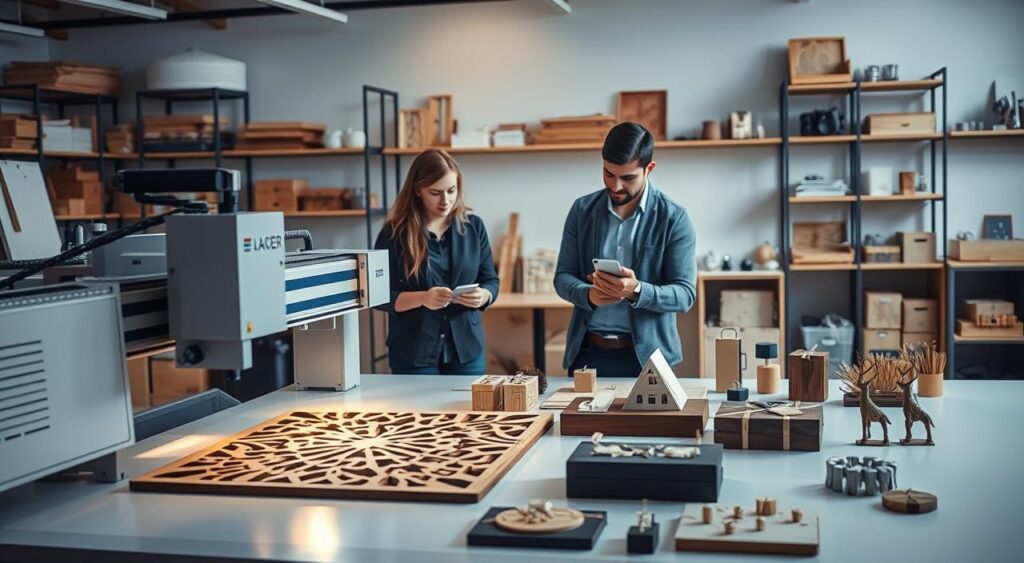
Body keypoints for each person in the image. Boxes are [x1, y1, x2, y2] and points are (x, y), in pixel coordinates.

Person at [554, 122, 696, 377]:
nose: (616, 186)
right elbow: (562, 277)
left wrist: (637, 290)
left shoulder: (674, 218)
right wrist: (588, 296)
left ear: (649, 169)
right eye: (609, 174)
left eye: (628, 177)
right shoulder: (581, 211)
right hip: (587, 353)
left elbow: (685, 295)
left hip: (649, 359)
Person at [374, 149, 499, 375]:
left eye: (451, 191)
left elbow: (490, 280)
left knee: (468, 410)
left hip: (466, 349)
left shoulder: (473, 227)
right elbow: (377, 296)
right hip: (413, 351)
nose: (446, 200)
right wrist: (423, 298)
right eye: (435, 192)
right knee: (419, 411)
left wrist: (484, 296)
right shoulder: (394, 234)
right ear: (418, 190)